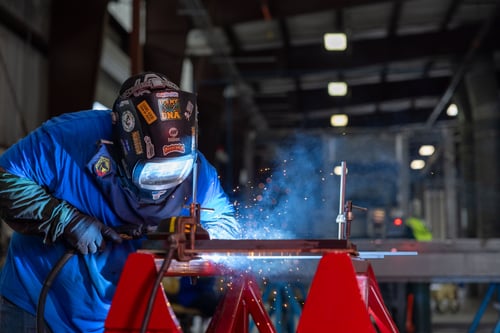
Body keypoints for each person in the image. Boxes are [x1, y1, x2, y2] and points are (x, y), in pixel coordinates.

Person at [0, 72, 241, 332]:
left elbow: (227, 226)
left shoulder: (198, 175)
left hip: (116, 313)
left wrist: (198, 241)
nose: (162, 186)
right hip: (35, 303)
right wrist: (66, 220)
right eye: (153, 172)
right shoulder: (68, 139)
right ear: (123, 139)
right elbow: (4, 178)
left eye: (174, 175)